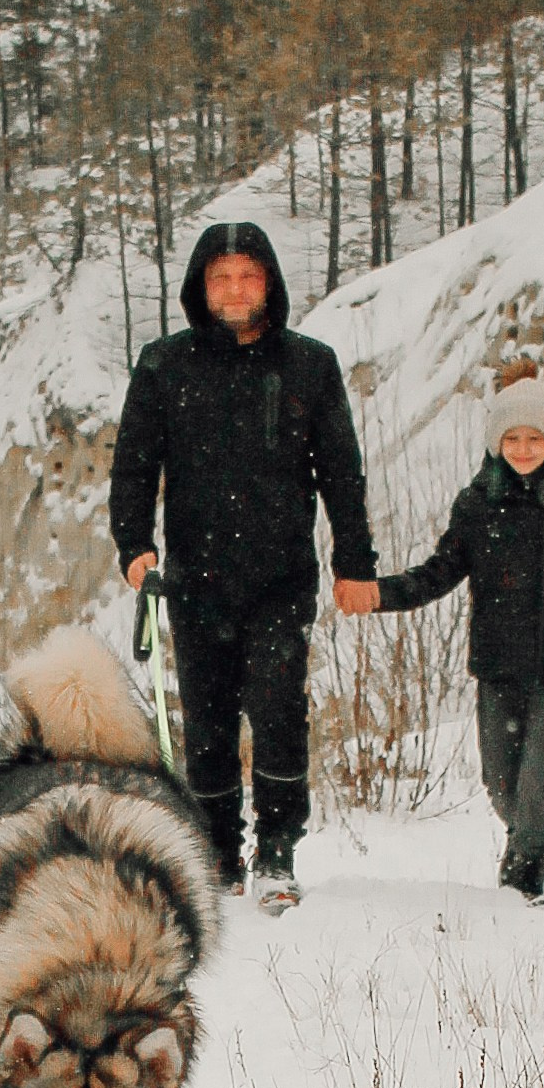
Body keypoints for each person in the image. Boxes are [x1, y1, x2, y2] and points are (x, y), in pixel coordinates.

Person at [110, 218, 377, 911]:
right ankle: (218, 853)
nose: (235, 289)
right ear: (201, 287)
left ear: (269, 283)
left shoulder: (309, 365)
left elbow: (341, 473)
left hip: (281, 575)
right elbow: (134, 466)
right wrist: (133, 546)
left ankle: (277, 852)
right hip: (195, 576)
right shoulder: (164, 365)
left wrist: (354, 561)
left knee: (279, 709)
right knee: (208, 722)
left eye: (248, 276)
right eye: (221, 277)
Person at [341, 361, 544, 904]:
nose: (523, 449)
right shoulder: (476, 506)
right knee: (500, 782)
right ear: (496, 442)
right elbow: (438, 573)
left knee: (536, 781)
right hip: (497, 668)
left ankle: (525, 876)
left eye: (535, 438)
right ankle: (529, 837)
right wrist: (379, 594)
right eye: (512, 438)